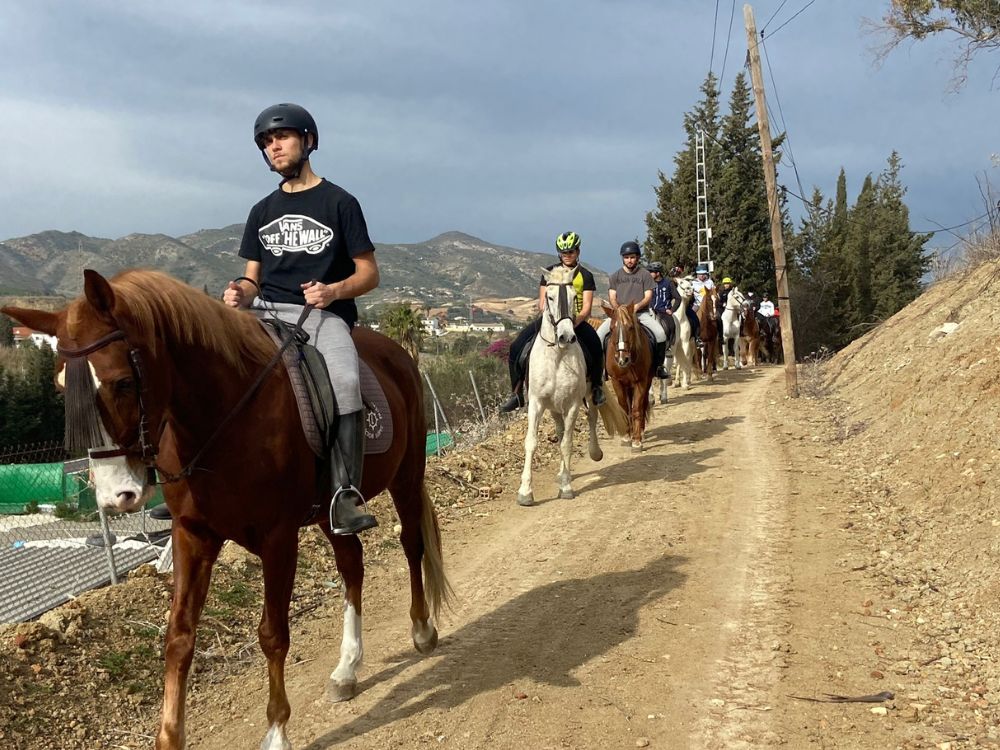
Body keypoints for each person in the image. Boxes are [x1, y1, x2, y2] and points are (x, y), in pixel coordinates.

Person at [223, 102, 379, 536]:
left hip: (321, 316)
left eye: (283, 137)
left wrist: (333, 291)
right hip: (264, 312)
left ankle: (345, 494)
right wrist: (240, 292)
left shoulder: (341, 203)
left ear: (308, 140)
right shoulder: (261, 210)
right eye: (267, 142)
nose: (274, 146)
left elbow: (369, 273)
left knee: (346, 381)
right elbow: (253, 278)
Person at [499, 231, 606, 412]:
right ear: (559, 253)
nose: (568, 255)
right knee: (517, 346)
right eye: (564, 253)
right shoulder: (549, 273)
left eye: (571, 252)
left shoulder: (585, 275)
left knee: (596, 345)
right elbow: (542, 303)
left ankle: (596, 387)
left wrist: (573, 322)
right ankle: (516, 393)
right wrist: (554, 321)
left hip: (575, 321)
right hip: (551, 321)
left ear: (578, 252)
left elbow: (587, 307)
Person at [597, 242, 669, 379]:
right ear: (622, 258)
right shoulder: (615, 276)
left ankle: (659, 367)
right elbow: (612, 296)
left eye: (632, 257)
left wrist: (636, 307)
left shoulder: (645, 275)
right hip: (620, 315)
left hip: (641, 313)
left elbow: (648, 296)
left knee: (660, 334)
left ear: (637, 258)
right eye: (626, 257)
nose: (629, 260)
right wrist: (619, 310)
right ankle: (602, 369)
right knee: (599, 335)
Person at [648, 261, 680, 350]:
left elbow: (678, 298)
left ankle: (669, 344)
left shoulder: (668, 283)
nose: (649, 274)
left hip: (663, 312)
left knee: (671, 325)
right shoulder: (648, 284)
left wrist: (672, 310)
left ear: (657, 273)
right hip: (650, 311)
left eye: (651, 272)